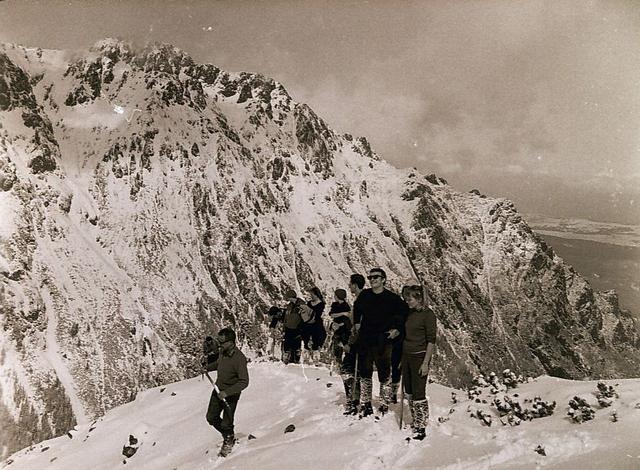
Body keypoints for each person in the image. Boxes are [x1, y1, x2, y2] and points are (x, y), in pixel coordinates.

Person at [355, 268, 408, 417]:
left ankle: (384, 404)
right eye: (370, 277)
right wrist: (356, 323)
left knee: (384, 373)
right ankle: (366, 404)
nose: (372, 280)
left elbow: (403, 314)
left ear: (383, 279)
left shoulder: (392, 299)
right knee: (365, 372)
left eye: (375, 277)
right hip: (365, 339)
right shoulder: (364, 295)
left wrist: (397, 329)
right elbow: (357, 309)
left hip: (383, 340)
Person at [203, 328, 249, 457]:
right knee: (211, 417)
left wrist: (227, 393)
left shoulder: (239, 359)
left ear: (231, 342)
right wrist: (207, 367)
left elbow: (244, 382)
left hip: (231, 394)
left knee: (227, 422)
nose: (219, 345)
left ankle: (229, 438)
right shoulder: (223, 353)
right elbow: (219, 364)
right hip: (218, 390)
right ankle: (227, 434)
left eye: (222, 342)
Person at [401, 285, 437, 440]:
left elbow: (431, 340)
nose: (407, 301)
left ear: (419, 299)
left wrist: (425, 363)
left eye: (410, 299)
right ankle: (416, 420)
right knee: (408, 390)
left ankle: (421, 426)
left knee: (418, 391)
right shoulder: (410, 313)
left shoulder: (428, 315)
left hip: (419, 356)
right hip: (407, 355)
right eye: (406, 299)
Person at [341, 273, 365, 415]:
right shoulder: (363, 300)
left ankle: (353, 401)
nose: (349, 286)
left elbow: (357, 326)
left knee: (347, 370)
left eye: (350, 284)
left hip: (358, 342)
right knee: (355, 371)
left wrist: (350, 342)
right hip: (361, 341)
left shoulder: (360, 302)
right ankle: (356, 400)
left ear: (355, 285)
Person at [328, 288, 352, 384]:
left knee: (341, 348)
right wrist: (342, 314)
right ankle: (338, 368)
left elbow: (347, 320)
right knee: (337, 349)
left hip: (343, 330)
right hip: (339, 329)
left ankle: (342, 368)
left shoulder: (345, 306)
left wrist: (338, 324)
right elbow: (332, 315)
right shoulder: (339, 306)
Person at [301, 286, 327, 363]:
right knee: (306, 340)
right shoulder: (309, 303)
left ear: (316, 294)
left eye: (312, 294)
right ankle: (306, 357)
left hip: (316, 324)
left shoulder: (321, 304)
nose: (311, 296)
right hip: (308, 323)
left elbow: (317, 314)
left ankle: (315, 358)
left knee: (316, 340)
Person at [282, 288, 304, 364]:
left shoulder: (301, 305)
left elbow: (304, 317)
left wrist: (301, 328)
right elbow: (286, 317)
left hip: (297, 328)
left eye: (288, 297)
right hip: (288, 328)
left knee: (296, 345)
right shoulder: (290, 305)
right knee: (287, 344)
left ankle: (295, 360)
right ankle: (288, 360)